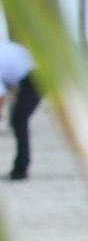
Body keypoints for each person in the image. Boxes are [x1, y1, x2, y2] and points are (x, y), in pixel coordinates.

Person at [0, 39, 41, 181]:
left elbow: (1, 94)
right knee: (18, 120)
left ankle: (20, 170)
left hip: (36, 76)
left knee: (19, 120)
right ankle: (21, 167)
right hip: (33, 72)